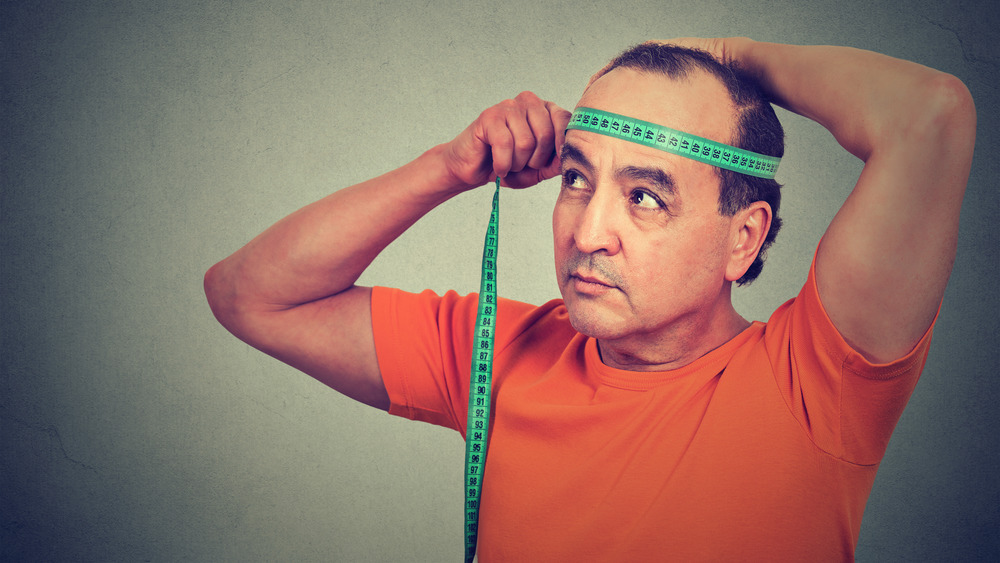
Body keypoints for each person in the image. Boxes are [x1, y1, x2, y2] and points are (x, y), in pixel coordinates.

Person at [204, 37, 975, 561]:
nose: (588, 230)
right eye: (578, 177)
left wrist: (724, 58)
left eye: (645, 195)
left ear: (744, 238)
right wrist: (448, 166)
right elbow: (250, 295)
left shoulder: (818, 380)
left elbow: (931, 118)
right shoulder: (501, 353)